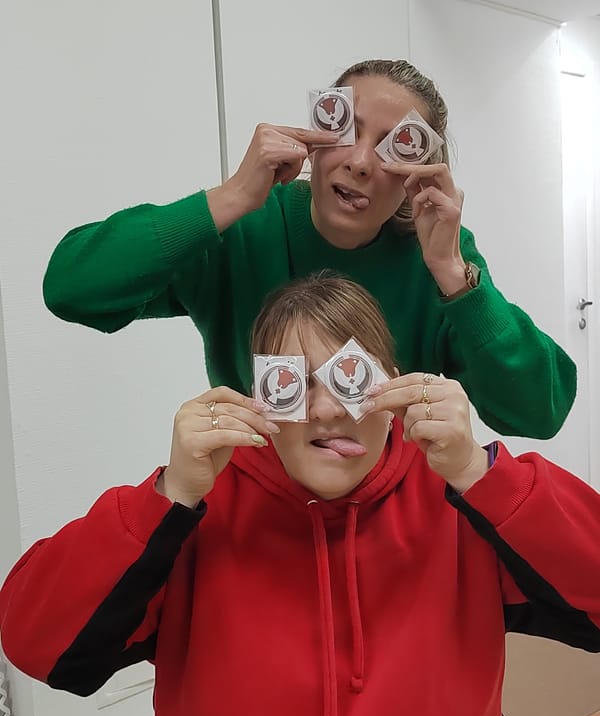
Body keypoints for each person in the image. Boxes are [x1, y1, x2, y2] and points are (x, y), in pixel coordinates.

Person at [1, 272, 598, 716]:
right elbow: (33, 640)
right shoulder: (198, 506)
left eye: (350, 378)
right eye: (294, 384)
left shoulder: (460, 496)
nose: (328, 410)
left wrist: (480, 474)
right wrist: (168, 495)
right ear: (259, 401)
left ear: (393, 388)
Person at [42, 58, 575, 440]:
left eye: (394, 146)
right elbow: (71, 288)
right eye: (348, 131)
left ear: (419, 173)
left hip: (396, 523)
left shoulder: (435, 253)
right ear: (317, 133)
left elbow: (539, 411)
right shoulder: (246, 231)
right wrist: (227, 200)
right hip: (259, 508)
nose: (362, 162)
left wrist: (456, 278)